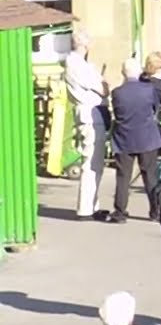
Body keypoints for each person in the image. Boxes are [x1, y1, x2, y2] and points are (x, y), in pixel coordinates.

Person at [108, 58, 161, 224]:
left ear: (123, 72)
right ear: (139, 71)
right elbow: (156, 108)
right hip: (147, 137)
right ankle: (156, 211)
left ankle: (120, 212)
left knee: (123, 177)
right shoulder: (148, 89)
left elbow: (117, 114)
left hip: (124, 138)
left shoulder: (117, 93)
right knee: (150, 175)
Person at [64, 31, 109, 221]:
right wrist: (104, 83)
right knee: (91, 162)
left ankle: (92, 204)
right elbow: (103, 89)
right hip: (91, 114)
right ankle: (85, 208)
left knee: (94, 162)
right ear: (84, 44)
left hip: (90, 113)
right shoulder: (78, 65)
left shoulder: (75, 63)